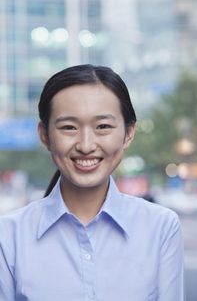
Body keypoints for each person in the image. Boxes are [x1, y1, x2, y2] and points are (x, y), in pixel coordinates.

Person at [0, 64, 184, 300]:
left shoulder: (161, 228)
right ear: (44, 135)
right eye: (69, 127)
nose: (86, 145)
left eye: (103, 127)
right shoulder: (8, 236)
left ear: (128, 133)